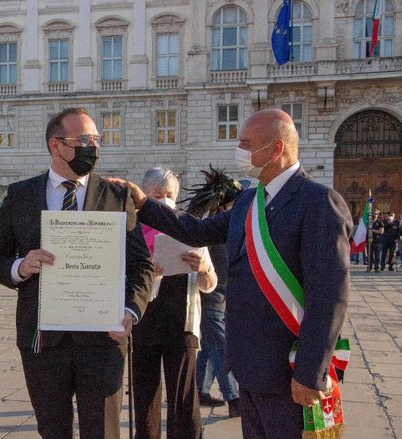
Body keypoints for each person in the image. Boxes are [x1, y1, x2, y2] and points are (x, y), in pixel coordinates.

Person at [114, 109, 352, 438]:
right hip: (248, 366)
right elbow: (195, 232)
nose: (238, 150)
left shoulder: (318, 202)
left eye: (245, 143)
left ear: (276, 149)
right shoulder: (248, 201)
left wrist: (311, 371)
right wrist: (142, 203)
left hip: (290, 372)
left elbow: (329, 297)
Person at [0, 107, 154, 439]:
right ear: (55, 145)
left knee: (102, 432)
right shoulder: (20, 195)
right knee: (52, 431)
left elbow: (141, 265)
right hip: (43, 341)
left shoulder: (117, 195)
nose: (93, 147)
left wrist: (131, 311)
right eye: (83, 139)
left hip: (104, 339)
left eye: (96, 139)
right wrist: (21, 266)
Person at [132, 167, 217, 439]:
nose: (165, 200)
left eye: (169, 194)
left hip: (182, 321)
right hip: (144, 319)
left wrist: (203, 268)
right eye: (158, 194)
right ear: (145, 196)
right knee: (145, 394)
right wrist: (147, 270)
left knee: (184, 395)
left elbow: (210, 284)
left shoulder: (188, 224)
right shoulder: (132, 228)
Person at [182, 166, 244, 418]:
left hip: (219, 293)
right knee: (221, 347)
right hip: (213, 294)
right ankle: (236, 397)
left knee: (209, 345)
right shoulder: (216, 226)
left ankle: (200, 389)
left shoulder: (212, 224)